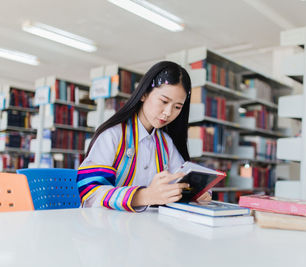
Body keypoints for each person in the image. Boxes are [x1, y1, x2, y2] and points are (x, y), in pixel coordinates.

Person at [77, 61, 211, 212]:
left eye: (177, 107)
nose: (168, 112)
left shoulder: (166, 143)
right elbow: (90, 194)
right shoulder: (113, 135)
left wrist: (196, 192)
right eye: (164, 101)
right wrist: (146, 195)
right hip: (104, 227)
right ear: (144, 94)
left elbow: (182, 178)